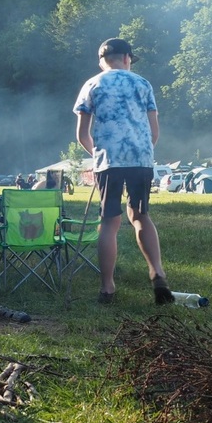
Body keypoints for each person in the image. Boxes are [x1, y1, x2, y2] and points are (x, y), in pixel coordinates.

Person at [73, 37, 174, 305]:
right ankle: (158, 274)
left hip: (109, 161)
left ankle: (107, 288)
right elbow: (154, 130)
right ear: (127, 58)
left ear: (101, 61)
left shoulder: (92, 84)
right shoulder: (142, 83)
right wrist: (142, 151)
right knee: (141, 216)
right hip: (140, 158)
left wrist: (98, 154)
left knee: (110, 222)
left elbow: (82, 134)